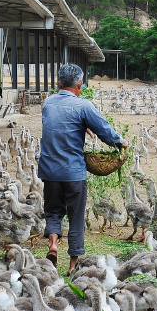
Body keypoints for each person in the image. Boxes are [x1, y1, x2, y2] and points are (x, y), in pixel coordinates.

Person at [38, 63, 128, 273]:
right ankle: (72, 265)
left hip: (49, 171)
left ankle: (53, 243)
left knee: (53, 211)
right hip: (73, 172)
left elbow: (57, 125)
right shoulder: (83, 105)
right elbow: (104, 129)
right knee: (76, 216)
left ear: (59, 84)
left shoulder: (48, 103)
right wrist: (120, 142)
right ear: (80, 85)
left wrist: (81, 125)